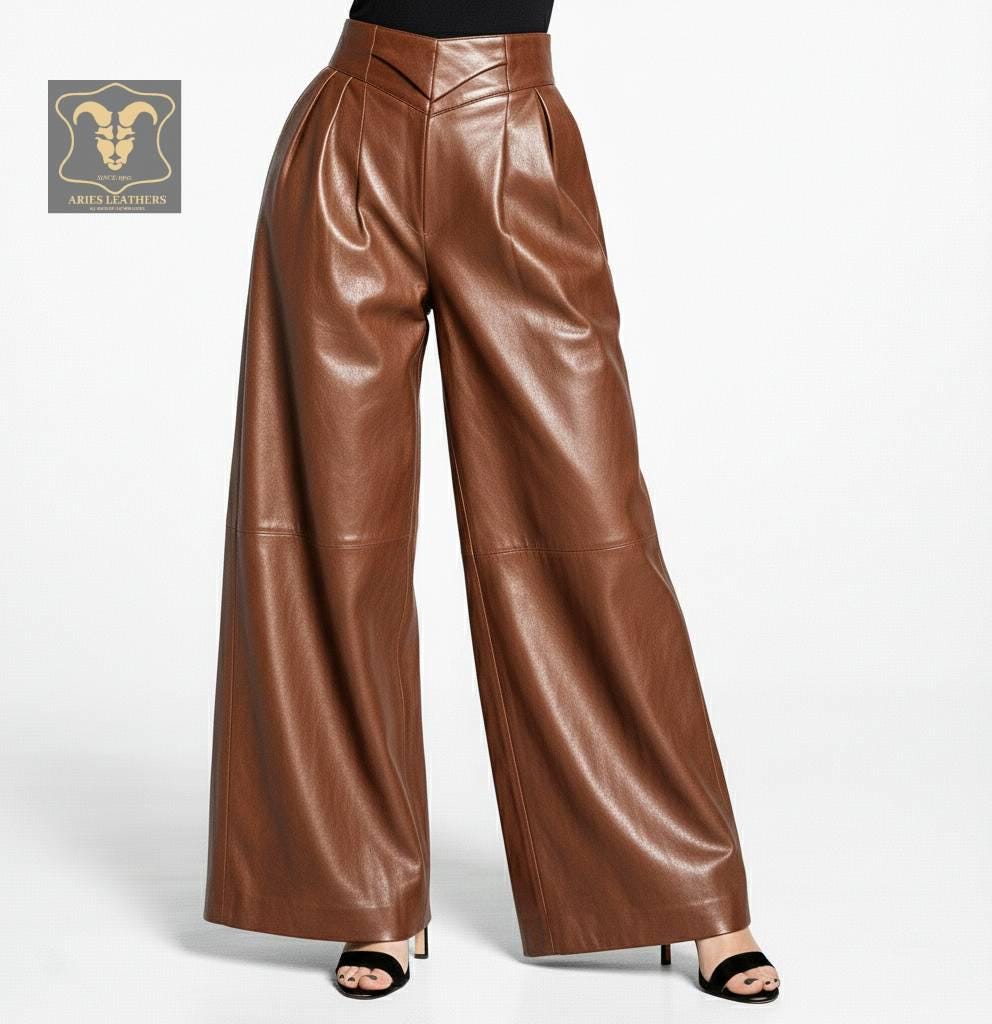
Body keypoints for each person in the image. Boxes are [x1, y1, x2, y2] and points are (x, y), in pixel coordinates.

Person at [203, 0, 781, 1005]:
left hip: (513, 129)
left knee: (588, 521)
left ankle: (687, 887)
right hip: (352, 128)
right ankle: (368, 892)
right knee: (332, 526)